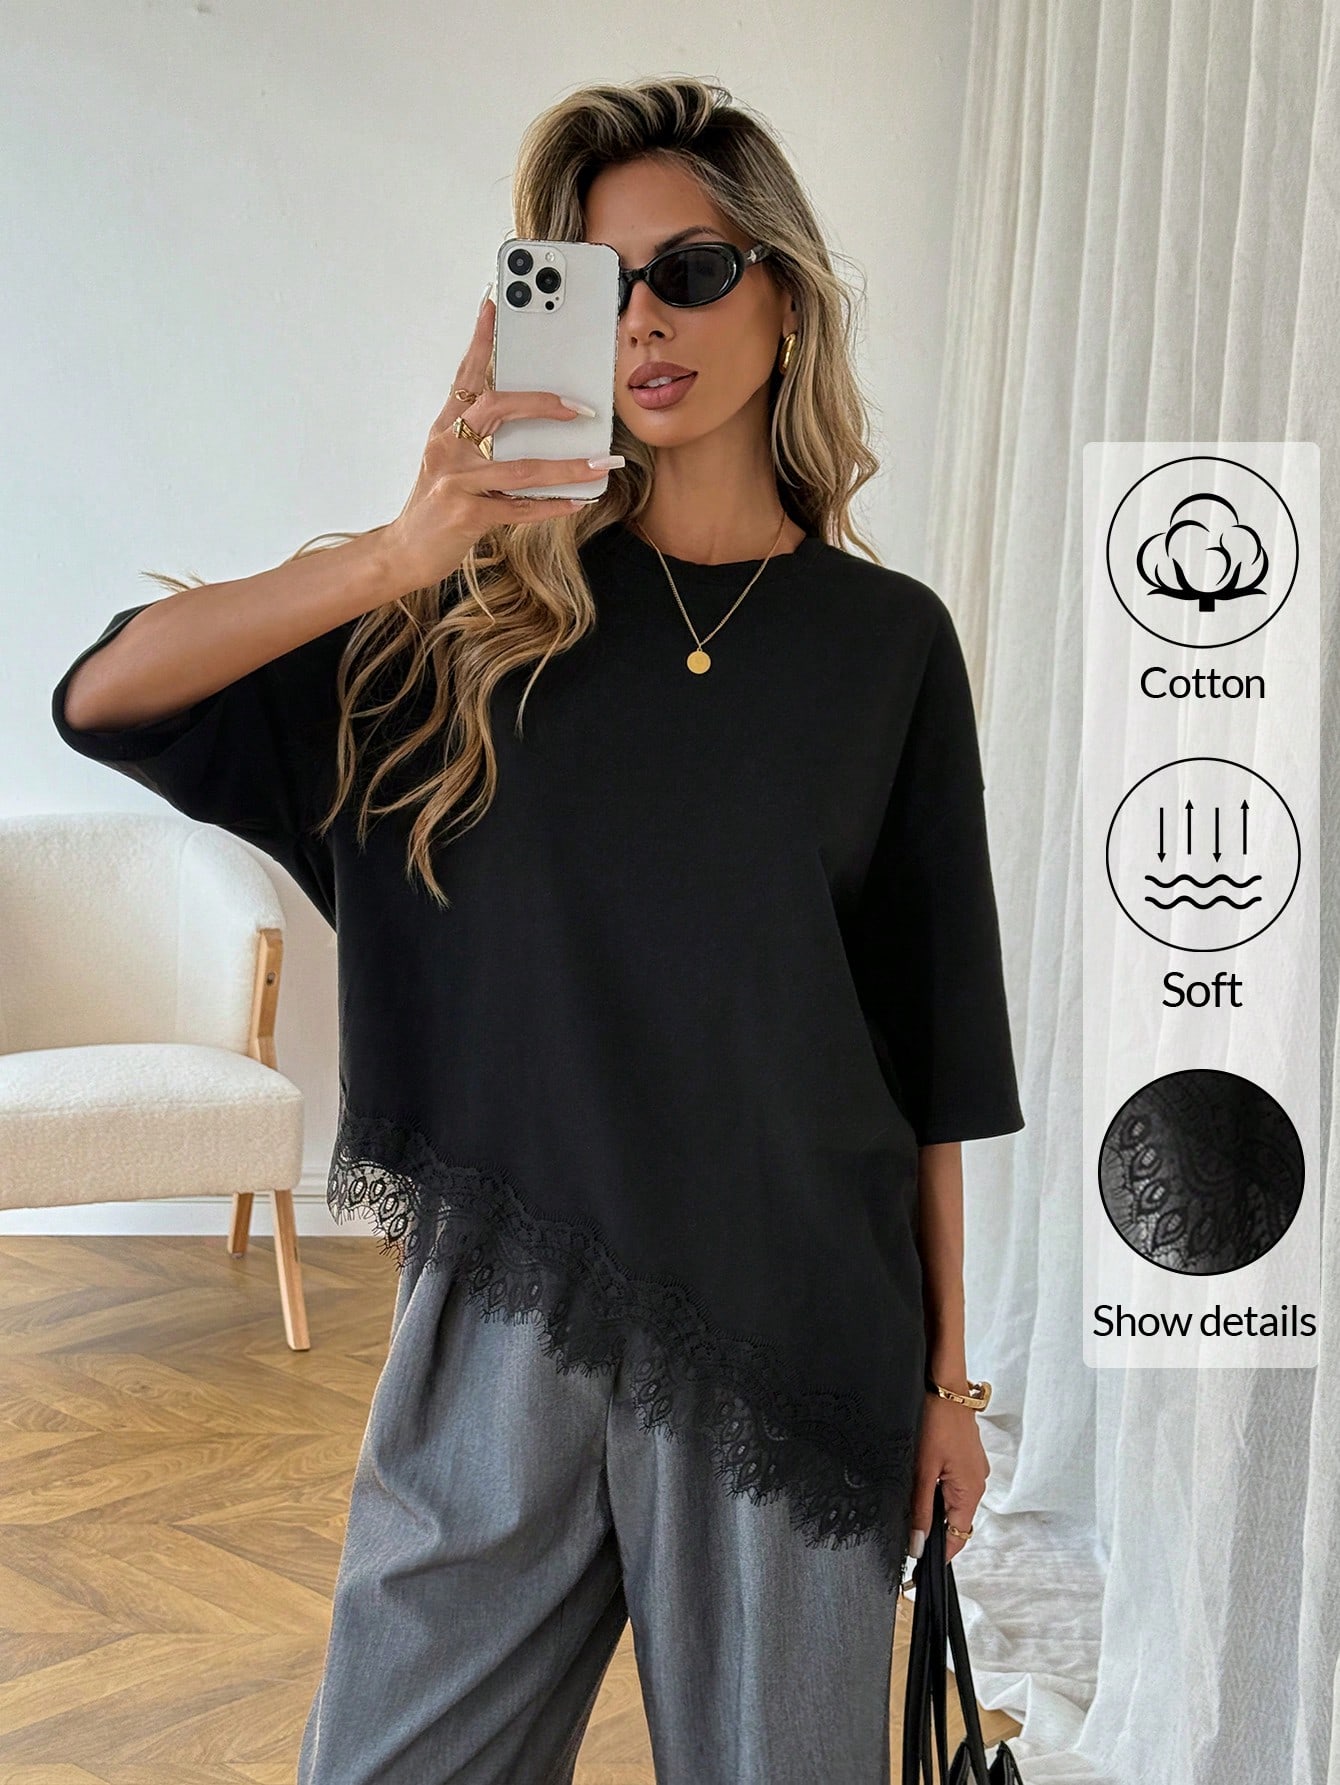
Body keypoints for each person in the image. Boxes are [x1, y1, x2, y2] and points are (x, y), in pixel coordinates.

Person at [52, 75, 1024, 1785]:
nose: (644, 320)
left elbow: (928, 1038)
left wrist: (950, 1385)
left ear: (787, 295)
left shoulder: (887, 645)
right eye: (593, 282)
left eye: (692, 273)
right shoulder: (473, 629)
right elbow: (105, 695)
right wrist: (401, 547)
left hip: (789, 1330)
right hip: (510, 1307)